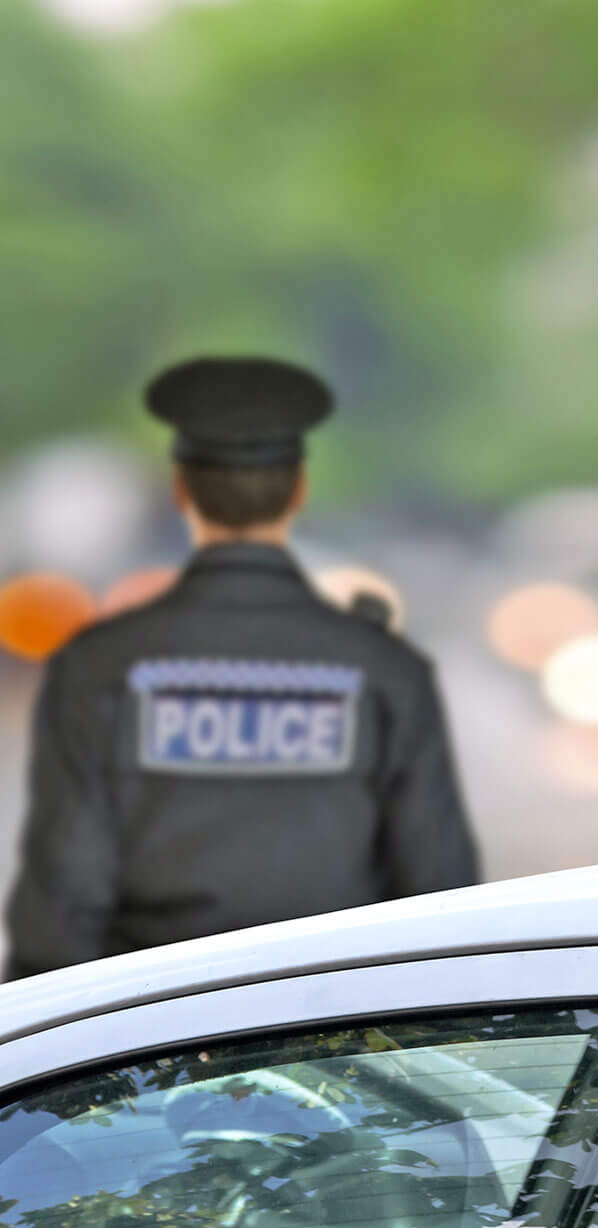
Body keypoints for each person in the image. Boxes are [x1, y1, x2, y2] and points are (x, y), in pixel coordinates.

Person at [3, 355, 480, 979]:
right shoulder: (386, 669)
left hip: (153, 1033)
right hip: (333, 1022)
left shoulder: (96, 667)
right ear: (299, 492)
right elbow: (439, 895)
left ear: (182, 494)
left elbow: (61, 902)